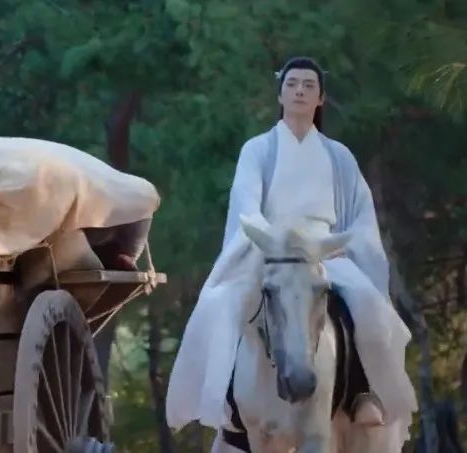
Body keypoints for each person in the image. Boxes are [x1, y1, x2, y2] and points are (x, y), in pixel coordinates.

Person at [164, 57, 418, 446]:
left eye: (308, 85)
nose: (299, 90)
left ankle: (361, 391)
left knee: (368, 304)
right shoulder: (258, 150)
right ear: (280, 94)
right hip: (271, 248)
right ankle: (227, 399)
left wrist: (344, 245)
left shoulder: (339, 156)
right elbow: (246, 205)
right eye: (292, 84)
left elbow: (360, 215)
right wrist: (272, 241)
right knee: (221, 302)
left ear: (321, 98)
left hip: (323, 251)